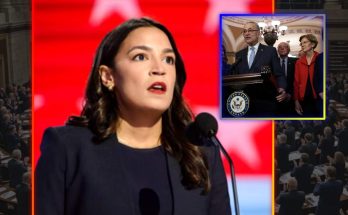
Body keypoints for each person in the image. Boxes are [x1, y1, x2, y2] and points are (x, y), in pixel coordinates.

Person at [35, 18, 231, 215]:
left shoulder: (202, 153)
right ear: (108, 77)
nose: (159, 69)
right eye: (140, 57)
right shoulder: (67, 149)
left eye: (168, 59)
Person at [227, 21, 287, 117]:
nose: (247, 33)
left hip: (265, 100)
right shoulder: (239, 54)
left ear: (258, 33)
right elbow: (236, 76)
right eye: (244, 31)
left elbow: (279, 73)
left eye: (250, 30)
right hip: (244, 101)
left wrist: (282, 88)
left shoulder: (270, 51)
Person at [294, 34, 320, 116]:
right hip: (304, 98)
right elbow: (296, 82)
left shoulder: (320, 58)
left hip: (319, 97)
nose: (302, 45)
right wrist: (296, 101)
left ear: (312, 44)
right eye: (301, 43)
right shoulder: (299, 62)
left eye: (305, 42)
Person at [277, 42, 298, 116]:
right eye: (280, 47)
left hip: (291, 97)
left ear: (289, 50)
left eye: (285, 47)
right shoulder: (273, 62)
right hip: (277, 97)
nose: (282, 48)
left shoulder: (296, 62)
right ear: (278, 51)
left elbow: (297, 80)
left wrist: (290, 93)